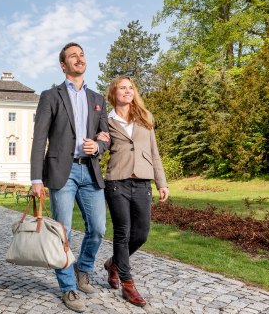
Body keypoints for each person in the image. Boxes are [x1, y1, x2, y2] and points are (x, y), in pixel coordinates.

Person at [30, 42, 110, 312]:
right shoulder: (51, 96)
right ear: (63, 65)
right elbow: (40, 138)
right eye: (73, 56)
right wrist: (36, 179)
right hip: (61, 171)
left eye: (82, 54)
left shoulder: (98, 99)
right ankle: (68, 288)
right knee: (61, 231)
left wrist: (98, 146)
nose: (79, 58)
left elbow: (105, 134)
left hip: (90, 169)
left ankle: (83, 269)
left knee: (98, 229)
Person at [98, 76, 169, 307]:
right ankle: (127, 284)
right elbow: (100, 147)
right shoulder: (106, 120)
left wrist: (162, 182)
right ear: (113, 92)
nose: (128, 91)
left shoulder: (145, 116)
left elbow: (154, 151)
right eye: (122, 88)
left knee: (142, 233)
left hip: (142, 182)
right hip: (116, 181)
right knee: (123, 232)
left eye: (130, 88)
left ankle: (114, 263)